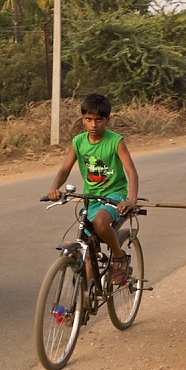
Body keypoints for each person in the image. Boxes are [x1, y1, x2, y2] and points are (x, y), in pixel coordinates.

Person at [46, 93, 139, 285]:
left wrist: (131, 199)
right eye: (88, 119)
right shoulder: (78, 142)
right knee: (88, 248)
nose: (93, 125)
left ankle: (119, 257)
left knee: (100, 223)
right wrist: (54, 188)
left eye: (98, 120)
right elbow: (64, 169)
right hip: (92, 197)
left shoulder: (116, 141)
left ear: (107, 120)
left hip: (114, 196)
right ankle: (82, 307)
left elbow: (131, 171)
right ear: (83, 119)